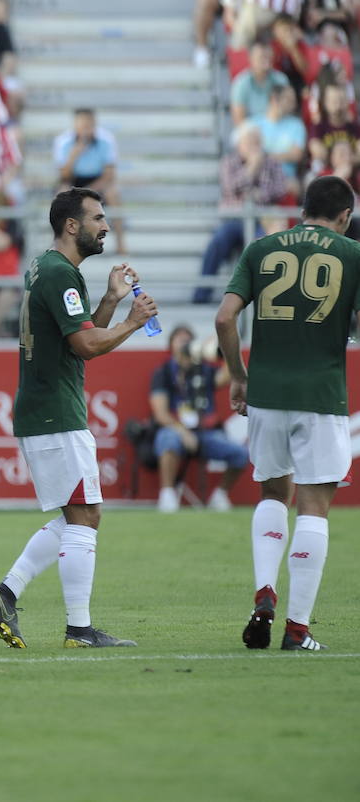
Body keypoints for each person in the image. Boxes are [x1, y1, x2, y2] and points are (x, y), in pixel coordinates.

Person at [0, 188, 157, 650]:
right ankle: (78, 629)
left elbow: (79, 334)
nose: (106, 226)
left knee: (77, 514)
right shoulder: (60, 274)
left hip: (46, 409)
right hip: (56, 411)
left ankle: (8, 592)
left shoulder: (46, 267)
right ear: (71, 225)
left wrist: (112, 301)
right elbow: (86, 347)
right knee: (85, 516)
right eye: (98, 218)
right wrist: (134, 322)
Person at [215, 175, 360, 652]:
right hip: (321, 393)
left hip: (266, 394)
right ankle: (297, 629)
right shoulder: (351, 254)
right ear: (344, 216)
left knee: (273, 491)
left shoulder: (261, 248)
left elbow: (223, 317)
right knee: (314, 507)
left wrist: (238, 375)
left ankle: (264, 590)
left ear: (303, 208)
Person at [149, 325, 249, 512]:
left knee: (240, 453)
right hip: (177, 430)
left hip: (206, 432)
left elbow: (226, 376)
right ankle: (168, 495)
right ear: (170, 345)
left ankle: (220, 496)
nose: (185, 344)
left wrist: (224, 345)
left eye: (188, 340)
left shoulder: (203, 370)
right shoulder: (163, 372)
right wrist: (183, 432)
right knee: (167, 438)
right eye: (180, 340)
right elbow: (160, 413)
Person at [193, 123, 289, 303]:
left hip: (263, 219)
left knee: (265, 245)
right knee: (218, 240)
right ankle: (201, 295)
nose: (255, 146)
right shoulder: (229, 162)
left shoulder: (272, 163)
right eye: (250, 141)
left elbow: (281, 189)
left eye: (257, 141)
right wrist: (252, 167)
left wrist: (260, 194)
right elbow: (230, 187)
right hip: (234, 219)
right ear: (240, 144)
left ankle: (262, 299)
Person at [53, 109, 123, 252]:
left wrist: (88, 191)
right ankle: (60, 242)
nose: (86, 129)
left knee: (113, 193)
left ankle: (120, 243)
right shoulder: (63, 142)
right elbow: (64, 176)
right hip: (74, 181)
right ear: (75, 125)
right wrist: (74, 155)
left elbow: (109, 175)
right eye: (82, 125)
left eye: (89, 125)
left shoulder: (106, 140)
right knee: (62, 193)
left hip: (97, 181)